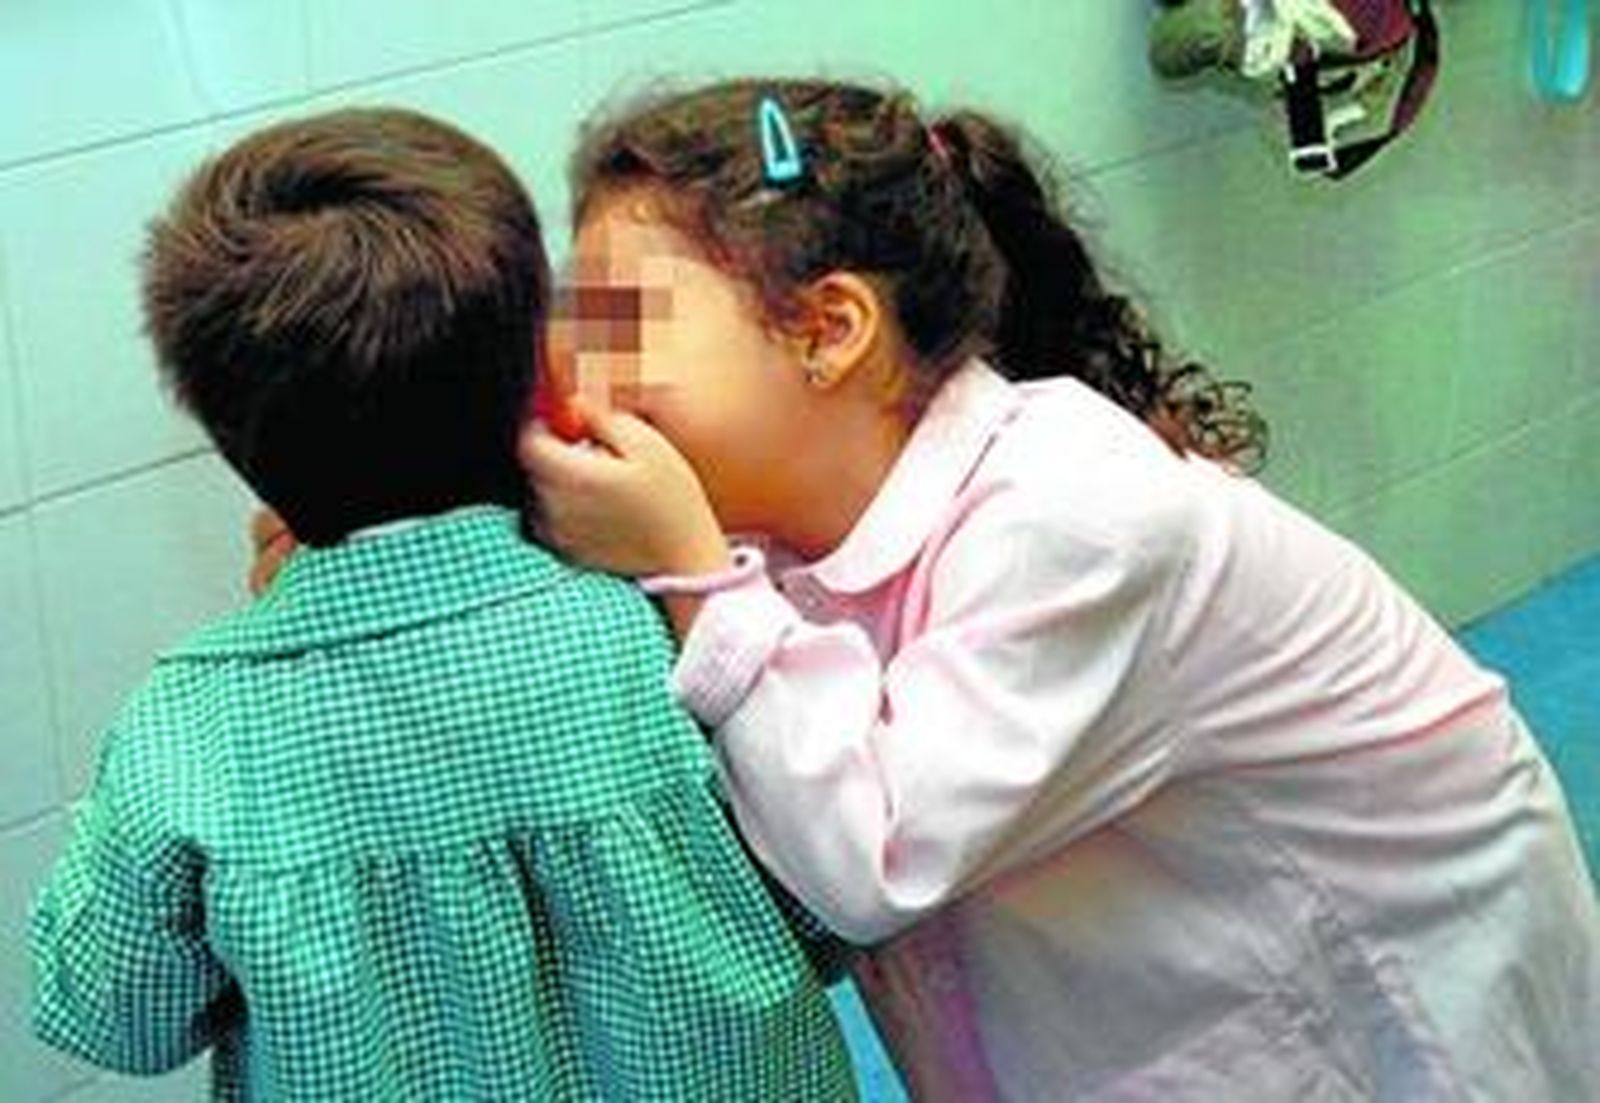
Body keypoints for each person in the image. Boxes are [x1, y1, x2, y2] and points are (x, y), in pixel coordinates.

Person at [521, 77, 1600, 1101]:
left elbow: (876, 856)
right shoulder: (784, 527)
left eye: (622, 320)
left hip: (1386, 939)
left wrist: (697, 577)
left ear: (827, 330)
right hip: (1135, 938)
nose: (576, 367)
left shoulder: (1072, 515)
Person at [29, 106, 856, 1102]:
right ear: (527, 380)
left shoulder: (189, 734)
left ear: (228, 431)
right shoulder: (663, 629)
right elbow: (829, 900)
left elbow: (111, 1011)